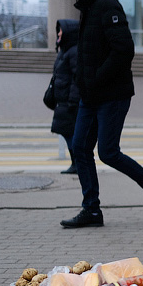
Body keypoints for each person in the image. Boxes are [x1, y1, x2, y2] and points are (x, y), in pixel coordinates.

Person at [55, 0, 143, 228]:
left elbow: (124, 49)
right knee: (80, 147)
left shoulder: (107, 5)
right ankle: (91, 210)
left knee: (107, 152)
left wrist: (96, 78)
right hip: (90, 96)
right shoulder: (87, 7)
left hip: (112, 95)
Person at [49, 19, 81, 174]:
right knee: (66, 131)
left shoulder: (74, 51)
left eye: (61, 30)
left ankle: (78, 162)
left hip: (69, 101)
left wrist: (73, 100)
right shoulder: (65, 50)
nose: (59, 33)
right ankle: (77, 162)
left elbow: (77, 77)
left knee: (70, 132)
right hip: (63, 99)